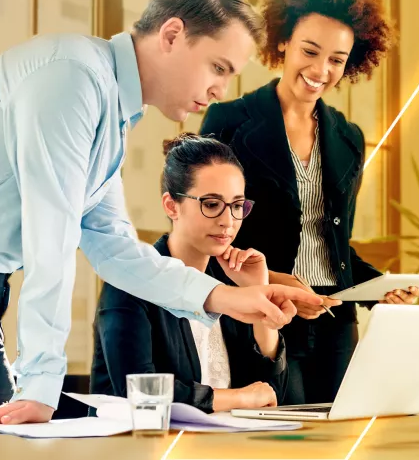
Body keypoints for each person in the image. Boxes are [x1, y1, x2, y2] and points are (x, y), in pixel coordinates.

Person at [0, 0, 321, 424]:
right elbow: (50, 238)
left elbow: (116, 251)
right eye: (218, 67)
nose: (220, 89)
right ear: (171, 34)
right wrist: (41, 382)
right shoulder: (72, 80)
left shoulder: (112, 110)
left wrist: (226, 299)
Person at [200, 0, 419, 405]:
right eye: (310, 51)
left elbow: (336, 246)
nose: (321, 70)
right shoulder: (229, 122)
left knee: (335, 440)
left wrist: (379, 287)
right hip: (263, 312)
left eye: (337, 60)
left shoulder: (347, 138)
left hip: (335, 323)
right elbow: (210, 234)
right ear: (283, 42)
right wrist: (280, 282)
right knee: (274, 440)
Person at [91, 133, 288, 412]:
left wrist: (259, 294)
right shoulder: (130, 278)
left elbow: (271, 393)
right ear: (172, 206)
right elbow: (138, 391)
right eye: (211, 204)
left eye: (236, 206)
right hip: (139, 446)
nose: (228, 221)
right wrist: (238, 398)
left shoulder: (231, 281)